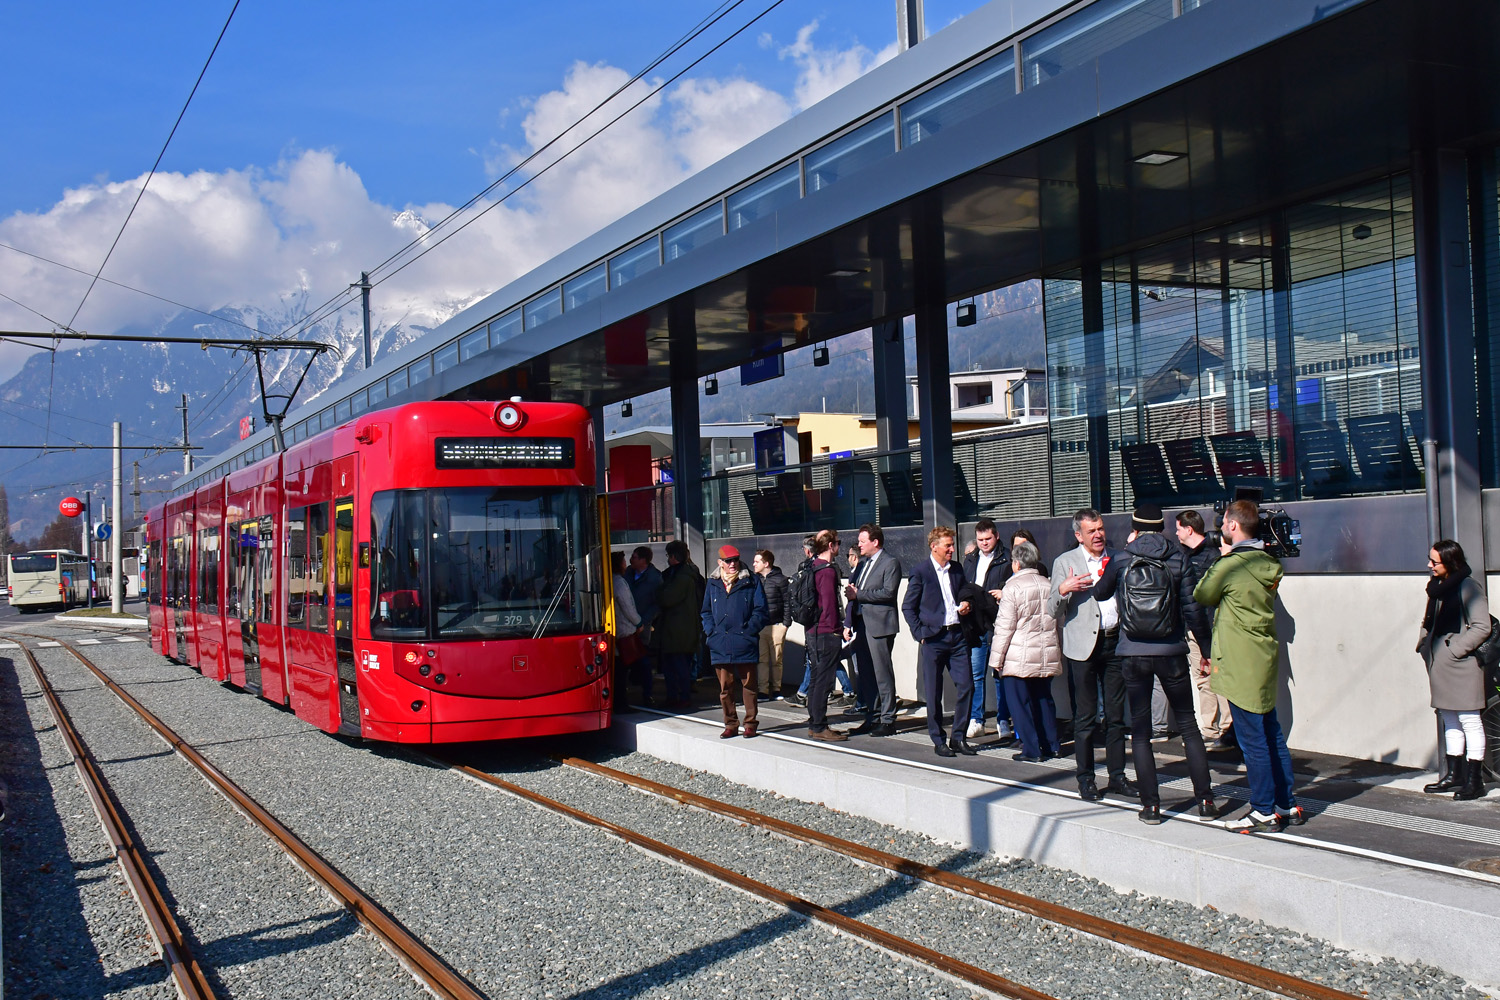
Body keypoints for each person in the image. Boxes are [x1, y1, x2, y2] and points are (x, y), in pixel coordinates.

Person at [1091, 506, 1220, 824]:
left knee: (1140, 731)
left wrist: (1120, 556)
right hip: (1172, 651)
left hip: (1132, 653)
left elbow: (1100, 591)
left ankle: (1151, 806)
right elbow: (1193, 610)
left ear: (1134, 528)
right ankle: (1205, 801)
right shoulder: (1178, 558)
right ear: (1162, 527)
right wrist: (1206, 650)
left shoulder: (1122, 558)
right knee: (1189, 726)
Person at [1193, 500, 1305, 832]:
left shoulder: (1232, 565)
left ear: (1233, 526)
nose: (1221, 528)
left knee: (1252, 739)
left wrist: (1224, 558)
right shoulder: (1269, 562)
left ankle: (1262, 809)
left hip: (1240, 659)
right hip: (1263, 655)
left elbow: (1203, 593)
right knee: (1272, 733)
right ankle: (1286, 803)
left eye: (1224, 523)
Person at [1049, 509, 1135, 802]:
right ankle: (1085, 779)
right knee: (1085, 718)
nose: (1098, 535)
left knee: (1115, 716)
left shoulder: (1118, 557)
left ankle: (1117, 776)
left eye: (1100, 529)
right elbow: (1052, 610)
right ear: (1079, 535)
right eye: (1091, 531)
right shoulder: (1065, 562)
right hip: (1083, 648)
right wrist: (1064, 589)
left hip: (1114, 643)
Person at [1417, 539, 1491, 801]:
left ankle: (1475, 781)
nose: (1429, 565)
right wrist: (1426, 645)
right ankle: (1454, 775)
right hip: (1441, 664)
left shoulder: (1468, 586)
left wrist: (1454, 649)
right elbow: (1431, 621)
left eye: (1434, 561)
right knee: (1449, 717)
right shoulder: (1439, 587)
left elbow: (1482, 626)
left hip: (1462, 665)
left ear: (1449, 562)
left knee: (1470, 720)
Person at [902, 526, 976, 758]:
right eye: (948, 546)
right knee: (934, 692)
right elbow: (908, 606)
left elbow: (964, 590)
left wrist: (967, 603)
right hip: (933, 638)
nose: (952, 550)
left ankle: (958, 737)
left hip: (957, 636)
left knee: (967, 686)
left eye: (952, 545)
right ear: (934, 547)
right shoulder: (921, 572)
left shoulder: (956, 569)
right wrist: (920, 633)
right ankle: (938, 738)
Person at [987, 541, 1063, 762]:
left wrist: (996, 660)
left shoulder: (1013, 587)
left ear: (1017, 563)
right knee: (1043, 699)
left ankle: (1031, 749)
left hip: (1019, 654)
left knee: (1019, 703)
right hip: (1045, 651)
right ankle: (1052, 745)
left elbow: (1004, 628)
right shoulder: (1048, 584)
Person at [1177, 510, 1232, 749]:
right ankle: (1209, 729)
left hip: (1211, 628)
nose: (1176, 533)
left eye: (1179, 528)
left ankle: (1228, 729)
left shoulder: (1213, 556)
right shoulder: (1185, 556)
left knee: (1219, 679)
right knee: (1202, 680)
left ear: (1189, 529)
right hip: (1192, 628)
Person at [700, 545, 767, 738]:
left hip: (744, 641)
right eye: (728, 561)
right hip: (720, 641)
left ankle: (750, 723)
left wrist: (749, 630)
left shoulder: (751, 581)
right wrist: (711, 632)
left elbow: (760, 610)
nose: (733, 564)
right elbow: (705, 611)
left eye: (735, 560)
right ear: (720, 562)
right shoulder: (712, 583)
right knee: (725, 687)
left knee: (749, 685)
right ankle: (730, 724)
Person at [845, 523, 903, 737]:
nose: (859, 545)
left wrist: (858, 594)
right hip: (862, 624)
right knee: (866, 674)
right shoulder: (863, 564)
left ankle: (888, 719)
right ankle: (873, 715)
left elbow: (888, 593)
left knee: (882, 673)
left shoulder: (890, 563)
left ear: (875, 541)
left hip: (880, 626)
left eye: (862, 541)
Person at [962, 519, 1013, 741]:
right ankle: (977, 719)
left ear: (996, 536)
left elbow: (1014, 585)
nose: (984, 543)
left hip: (998, 622)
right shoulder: (971, 559)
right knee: (976, 673)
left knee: (999, 673)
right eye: (980, 540)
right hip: (976, 623)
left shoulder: (1007, 558)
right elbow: (964, 585)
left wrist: (1003, 592)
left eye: (988, 539)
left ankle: (1003, 719)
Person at [802, 530, 848, 742]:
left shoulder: (812, 565)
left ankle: (814, 724)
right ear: (830, 545)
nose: (839, 546)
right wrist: (838, 630)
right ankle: (820, 726)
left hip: (812, 630)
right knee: (824, 680)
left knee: (815, 678)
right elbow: (829, 606)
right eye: (837, 543)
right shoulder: (827, 571)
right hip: (826, 631)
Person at [657, 540, 704, 709]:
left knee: (677, 667)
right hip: (680, 629)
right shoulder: (685, 574)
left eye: (669, 555)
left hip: (678, 630)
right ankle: (677, 696)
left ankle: (680, 697)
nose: (668, 558)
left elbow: (667, 598)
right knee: (677, 666)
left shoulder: (681, 577)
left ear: (674, 556)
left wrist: (660, 591)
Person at [626, 547, 663, 707]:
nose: (631, 560)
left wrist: (644, 621)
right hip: (626, 625)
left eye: (634, 557)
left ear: (643, 560)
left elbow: (657, 604)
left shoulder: (655, 578)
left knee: (643, 659)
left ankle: (647, 693)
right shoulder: (627, 573)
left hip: (642, 627)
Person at [753, 549, 790, 701]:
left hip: (777, 625)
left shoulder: (780, 579)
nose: (754, 564)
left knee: (776, 660)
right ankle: (762, 690)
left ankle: (776, 689)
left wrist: (786, 624)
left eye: (757, 561)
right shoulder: (754, 580)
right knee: (762, 660)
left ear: (766, 563)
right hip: (760, 626)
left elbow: (788, 602)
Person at [610, 550, 643, 713]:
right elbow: (627, 607)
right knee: (623, 670)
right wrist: (639, 622)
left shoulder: (610, 581)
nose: (626, 563)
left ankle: (620, 701)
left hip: (617, 630)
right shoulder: (619, 583)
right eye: (623, 561)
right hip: (624, 630)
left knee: (620, 670)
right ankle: (622, 703)